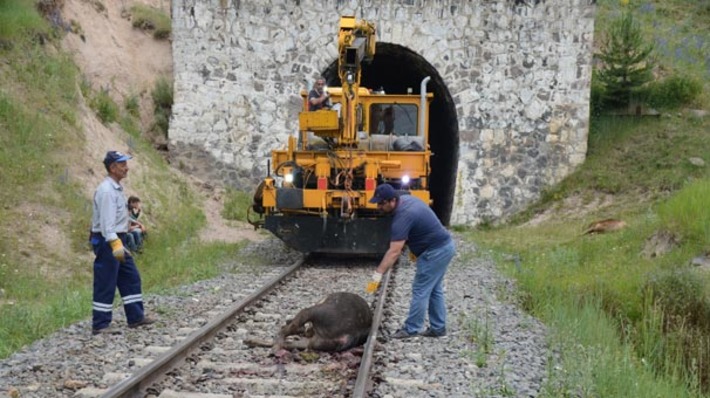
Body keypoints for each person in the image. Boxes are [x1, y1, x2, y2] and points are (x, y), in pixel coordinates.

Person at [365, 184, 455, 339]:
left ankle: (411, 329)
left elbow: (394, 252)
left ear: (392, 201)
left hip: (435, 252)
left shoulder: (403, 216)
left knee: (420, 290)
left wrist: (378, 274)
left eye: (381, 203)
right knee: (434, 289)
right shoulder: (405, 199)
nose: (378, 207)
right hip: (444, 247)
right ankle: (438, 328)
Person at [89, 151, 155, 335]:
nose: (126, 168)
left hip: (118, 238)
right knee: (106, 280)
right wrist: (115, 244)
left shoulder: (116, 189)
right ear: (112, 168)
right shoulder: (107, 191)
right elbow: (106, 224)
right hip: (109, 240)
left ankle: (135, 317)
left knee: (130, 277)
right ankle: (100, 324)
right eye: (122, 164)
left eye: (126, 164)